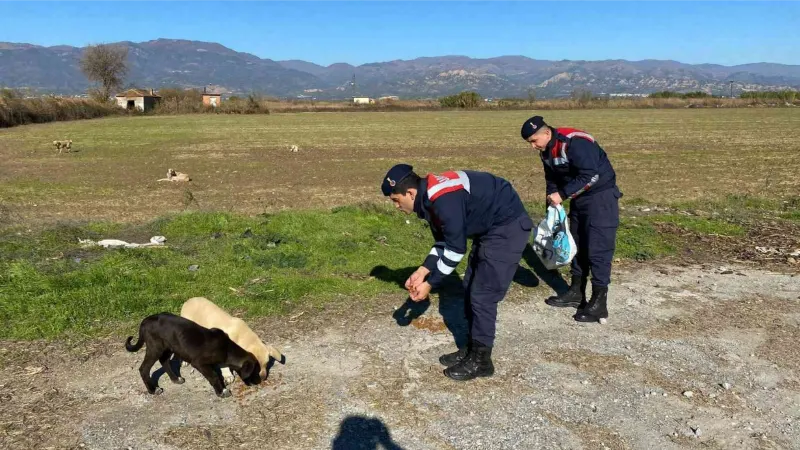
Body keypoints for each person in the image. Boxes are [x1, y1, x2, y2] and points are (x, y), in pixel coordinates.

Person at [381, 164, 533, 381]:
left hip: (507, 226)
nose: (396, 206)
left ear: (410, 193)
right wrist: (423, 270)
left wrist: (430, 283)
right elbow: (444, 241)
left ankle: (481, 360)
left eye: (396, 200)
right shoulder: (428, 199)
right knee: (470, 286)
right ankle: (472, 348)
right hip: (487, 228)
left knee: (483, 295)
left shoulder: (443, 200)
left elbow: (455, 250)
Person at [520, 116, 622, 323]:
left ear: (546, 133)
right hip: (580, 199)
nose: (533, 147)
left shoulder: (575, 143)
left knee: (598, 249)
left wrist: (564, 194)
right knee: (576, 244)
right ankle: (576, 292)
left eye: (533, 141)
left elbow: (591, 176)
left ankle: (599, 303)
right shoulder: (546, 150)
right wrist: (551, 202)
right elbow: (552, 178)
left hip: (601, 198)